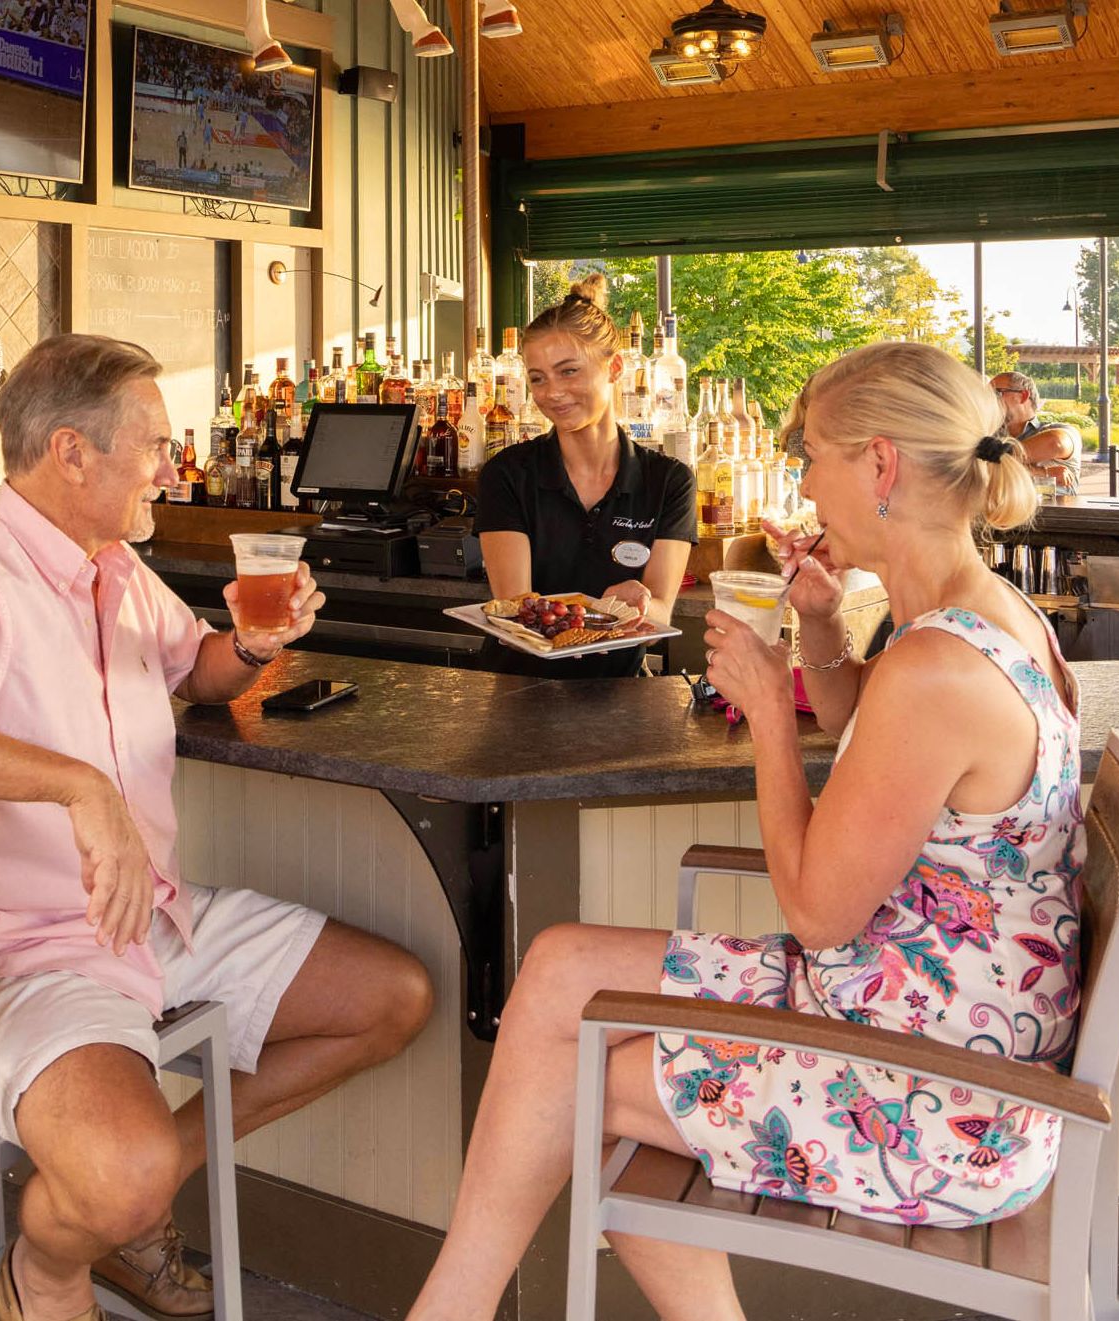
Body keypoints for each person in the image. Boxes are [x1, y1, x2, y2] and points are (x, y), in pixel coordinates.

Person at [408, 341, 1084, 1321]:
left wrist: (771, 710)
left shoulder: (938, 669)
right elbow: (880, 751)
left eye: (813, 455)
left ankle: (451, 1312)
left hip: (934, 1095)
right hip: (916, 1010)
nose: (805, 481)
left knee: (581, 1089)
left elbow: (815, 912)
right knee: (557, 964)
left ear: (880, 465)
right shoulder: (990, 613)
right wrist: (817, 632)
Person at [0, 335, 433, 1321]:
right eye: (152, 442)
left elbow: (194, 672)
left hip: (144, 917)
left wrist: (250, 645)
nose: (171, 463)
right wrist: (80, 787)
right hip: (19, 955)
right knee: (119, 1168)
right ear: (73, 453)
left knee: (390, 998)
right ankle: (55, 1262)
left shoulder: (111, 566)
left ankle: (128, 1219)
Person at [473, 273, 697, 677]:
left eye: (569, 371)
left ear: (613, 367)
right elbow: (517, 610)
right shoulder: (507, 475)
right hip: (516, 694)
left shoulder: (668, 482)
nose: (551, 392)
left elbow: (660, 613)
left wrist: (642, 602)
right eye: (537, 378)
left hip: (620, 696)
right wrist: (594, 615)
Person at [989, 369, 1082, 494]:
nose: (988, 400)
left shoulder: (1057, 430)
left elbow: (1056, 442)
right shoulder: (988, 435)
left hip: (1053, 513)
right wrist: (1043, 472)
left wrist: (988, 461)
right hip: (1001, 512)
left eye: (996, 393)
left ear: (1023, 396)